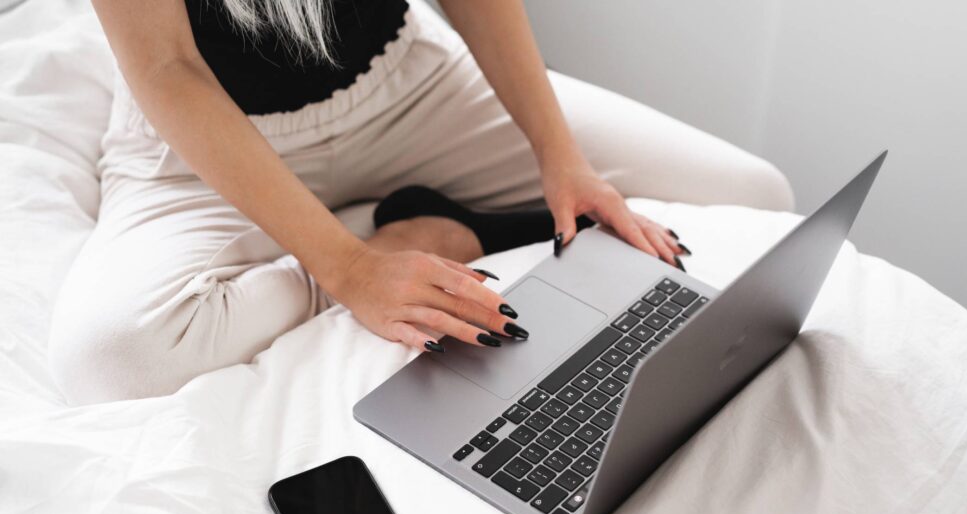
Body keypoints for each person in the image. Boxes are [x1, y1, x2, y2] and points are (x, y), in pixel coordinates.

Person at [49, 0, 794, 405]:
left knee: (755, 195)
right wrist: (348, 269)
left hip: (406, 89)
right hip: (204, 145)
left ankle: (408, 232)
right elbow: (167, 66)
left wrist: (556, 155)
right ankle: (393, 238)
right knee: (108, 358)